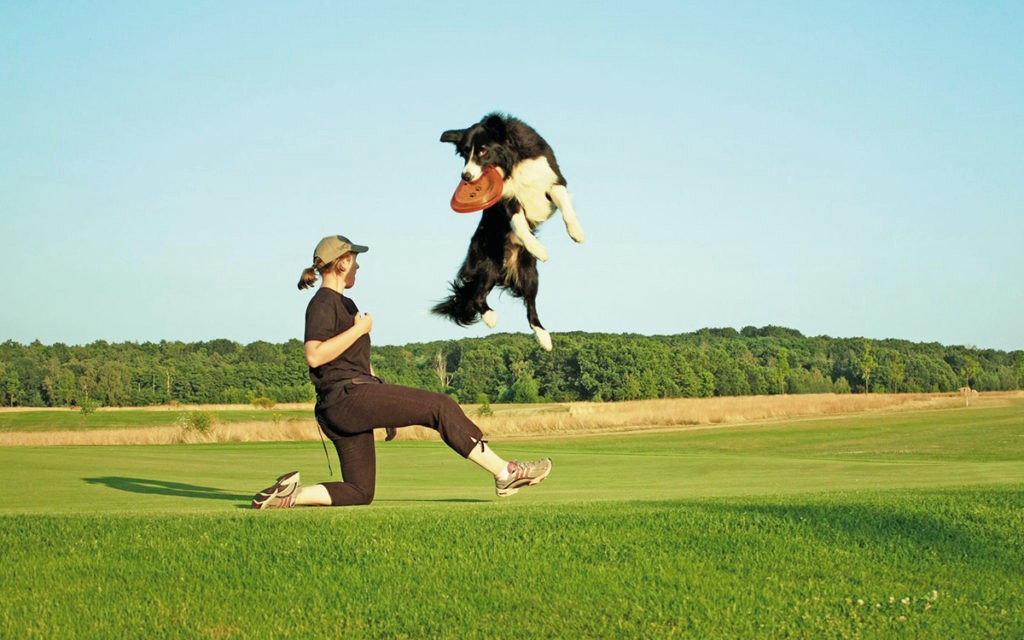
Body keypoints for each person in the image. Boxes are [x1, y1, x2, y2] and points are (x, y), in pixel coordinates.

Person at [252, 234, 552, 509]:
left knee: (360, 492)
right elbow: (315, 355)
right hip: (345, 398)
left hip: (349, 400)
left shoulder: (346, 303)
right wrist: (360, 329)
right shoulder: (322, 303)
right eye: (355, 260)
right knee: (440, 406)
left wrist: (382, 404)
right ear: (343, 263)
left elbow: (354, 362)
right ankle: (505, 473)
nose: (358, 267)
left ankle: (291, 495)